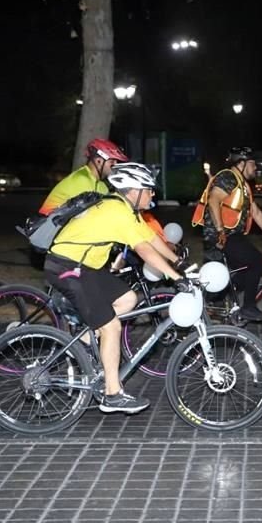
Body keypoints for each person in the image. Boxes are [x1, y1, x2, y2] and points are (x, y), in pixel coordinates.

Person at [45, 162, 182, 414]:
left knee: (128, 299)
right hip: (69, 268)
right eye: (149, 189)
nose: (153, 194)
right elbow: (143, 250)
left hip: (86, 268)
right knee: (112, 326)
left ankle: (86, 339)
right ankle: (112, 395)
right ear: (133, 191)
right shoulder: (116, 211)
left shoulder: (125, 210)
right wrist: (175, 277)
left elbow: (150, 239)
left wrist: (178, 262)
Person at [191, 146, 262, 322]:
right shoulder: (229, 177)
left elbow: (256, 213)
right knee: (256, 260)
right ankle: (248, 307)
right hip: (222, 235)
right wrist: (220, 230)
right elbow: (213, 200)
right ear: (241, 163)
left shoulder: (242, 185)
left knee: (245, 271)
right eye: (252, 164)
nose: (255, 168)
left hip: (232, 234)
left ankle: (219, 294)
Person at [38, 138, 127, 215]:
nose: (115, 165)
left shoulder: (101, 186)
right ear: (98, 161)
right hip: (51, 230)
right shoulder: (81, 179)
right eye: (112, 162)